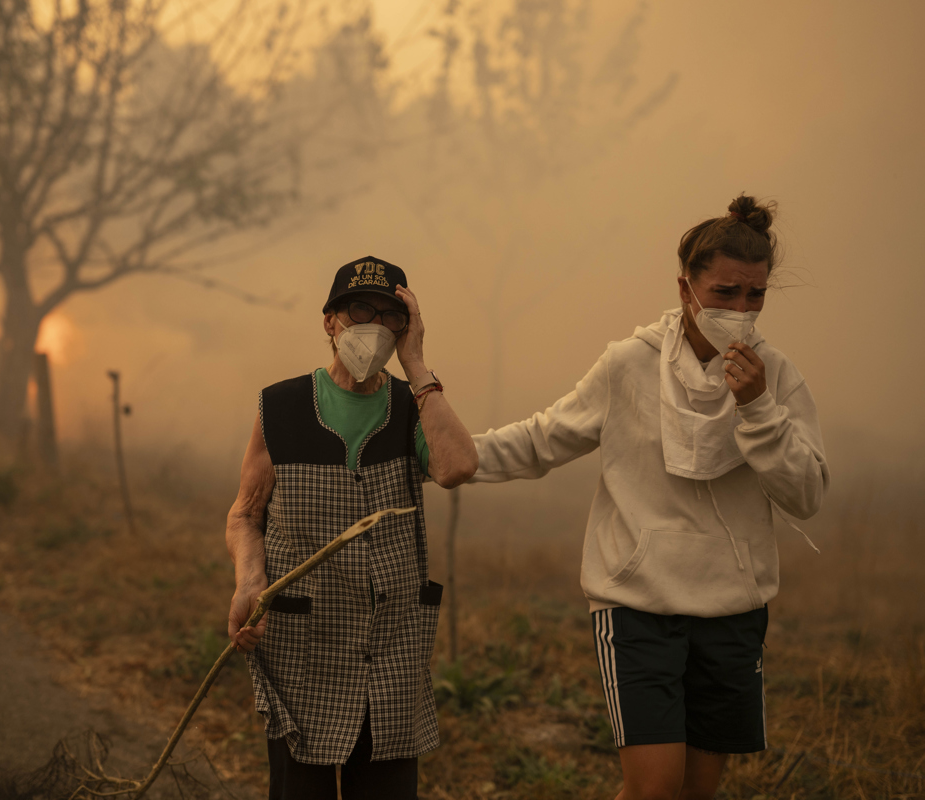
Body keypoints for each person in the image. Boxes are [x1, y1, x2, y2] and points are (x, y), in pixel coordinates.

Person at [467, 195, 828, 800]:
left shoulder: (776, 377)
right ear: (686, 288)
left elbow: (806, 495)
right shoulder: (628, 366)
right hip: (637, 607)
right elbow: (541, 440)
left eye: (755, 295)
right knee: (654, 790)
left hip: (733, 612)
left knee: (694, 792)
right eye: (724, 293)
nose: (741, 310)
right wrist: (447, 457)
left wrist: (758, 409)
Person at [225, 256, 478, 800]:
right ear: (330, 321)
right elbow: (247, 513)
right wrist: (249, 581)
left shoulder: (413, 407)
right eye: (361, 310)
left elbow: (457, 467)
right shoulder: (283, 406)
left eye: (391, 316)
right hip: (302, 652)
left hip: (389, 654)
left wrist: (417, 364)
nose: (375, 326)